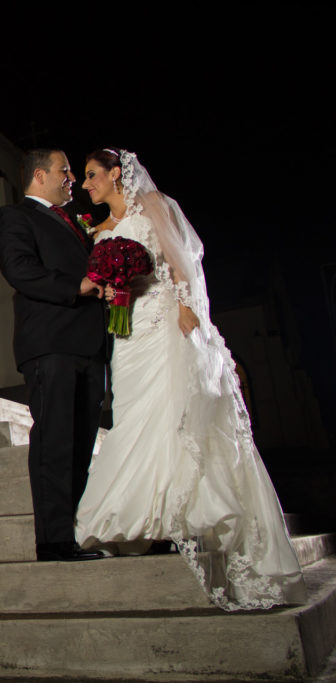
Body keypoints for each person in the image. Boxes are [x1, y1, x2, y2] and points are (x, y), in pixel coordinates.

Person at [74, 147, 306, 610]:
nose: (85, 185)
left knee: (172, 410)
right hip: (127, 332)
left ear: (116, 174)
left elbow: (180, 259)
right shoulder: (99, 229)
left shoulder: (153, 205)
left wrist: (186, 305)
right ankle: (140, 518)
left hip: (163, 319)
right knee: (133, 414)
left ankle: (187, 509)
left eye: (91, 175)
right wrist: (107, 284)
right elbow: (102, 279)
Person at [0, 149, 108, 562]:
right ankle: (54, 541)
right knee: (55, 442)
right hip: (51, 343)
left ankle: (74, 531)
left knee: (81, 444)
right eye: (65, 170)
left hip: (90, 345)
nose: (72, 177)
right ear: (40, 175)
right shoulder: (15, 217)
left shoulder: (75, 220)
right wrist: (75, 286)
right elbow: (19, 269)